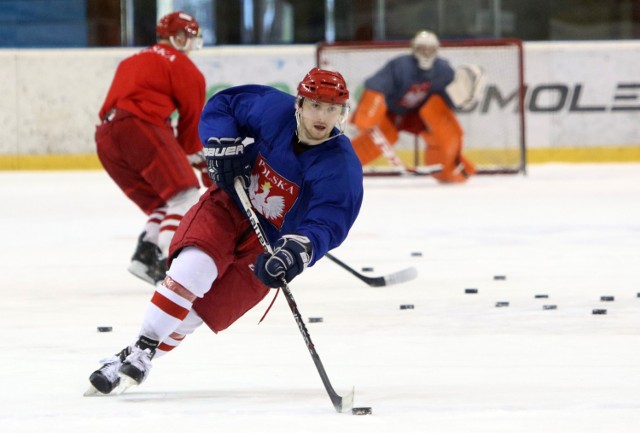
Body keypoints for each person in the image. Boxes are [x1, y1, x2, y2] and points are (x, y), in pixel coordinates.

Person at [86, 68, 364, 395]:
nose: (324, 116)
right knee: (195, 268)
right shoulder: (273, 109)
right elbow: (223, 106)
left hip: (268, 244)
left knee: (207, 307)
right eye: (316, 105)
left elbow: (329, 220)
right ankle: (144, 350)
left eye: (333, 108)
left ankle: (136, 354)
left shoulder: (341, 165)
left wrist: (296, 253)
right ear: (300, 103)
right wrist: (221, 143)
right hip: (229, 205)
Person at [95, 11, 211, 286]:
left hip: (106, 138)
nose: (192, 47)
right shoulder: (186, 69)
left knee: (165, 201)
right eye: (190, 39)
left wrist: (186, 153)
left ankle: (144, 259)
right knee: (185, 195)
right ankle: (171, 263)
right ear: (179, 38)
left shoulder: (131, 60)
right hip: (141, 128)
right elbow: (190, 129)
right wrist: (205, 165)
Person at [350, 30, 485, 183]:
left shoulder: (444, 70)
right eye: (422, 48)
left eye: (430, 49)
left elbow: (448, 102)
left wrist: (462, 99)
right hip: (391, 113)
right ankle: (340, 168)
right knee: (378, 139)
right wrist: (367, 113)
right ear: (414, 48)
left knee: (447, 130)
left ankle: (449, 168)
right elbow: (375, 87)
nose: (426, 53)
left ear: (437, 50)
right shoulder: (400, 66)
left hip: (418, 116)